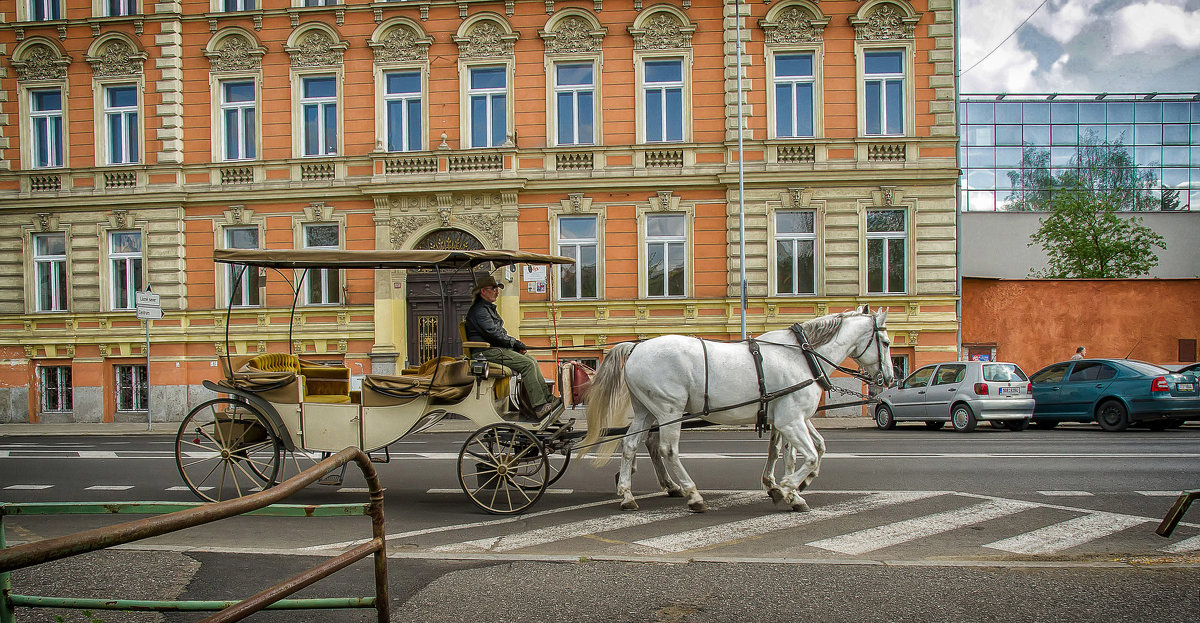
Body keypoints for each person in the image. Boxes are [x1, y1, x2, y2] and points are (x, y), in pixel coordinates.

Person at [463, 273, 559, 418]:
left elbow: (498, 333)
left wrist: (514, 345)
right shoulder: (480, 311)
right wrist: (514, 344)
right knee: (527, 364)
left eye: (498, 288)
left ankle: (547, 400)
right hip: (485, 353)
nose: (497, 291)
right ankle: (539, 406)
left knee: (531, 360)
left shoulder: (486, 309)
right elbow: (494, 333)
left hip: (494, 349)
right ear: (483, 291)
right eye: (494, 288)